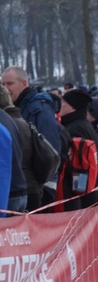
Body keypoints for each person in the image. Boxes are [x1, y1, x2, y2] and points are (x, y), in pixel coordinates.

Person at [1, 65, 61, 206]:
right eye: (2, 84)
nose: (5, 89)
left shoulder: (38, 108)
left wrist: (46, 188)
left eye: (10, 84)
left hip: (35, 189)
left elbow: (51, 150)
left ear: (24, 83)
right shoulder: (16, 109)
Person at [0, 84, 42, 211]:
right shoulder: (9, 118)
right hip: (19, 188)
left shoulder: (4, 122)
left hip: (9, 193)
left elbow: (3, 167)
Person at [58, 88, 98, 210]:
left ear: (73, 107)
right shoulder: (83, 124)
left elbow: (76, 164)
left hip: (79, 195)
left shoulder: (74, 129)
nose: (60, 106)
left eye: (63, 103)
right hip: (89, 191)